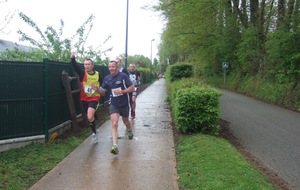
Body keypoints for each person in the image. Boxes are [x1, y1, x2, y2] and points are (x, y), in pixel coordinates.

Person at [92, 60, 135, 155]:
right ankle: (115, 146)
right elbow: (103, 92)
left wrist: (123, 92)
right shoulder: (107, 78)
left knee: (126, 121)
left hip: (124, 103)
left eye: (113, 66)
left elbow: (132, 87)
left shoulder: (123, 76)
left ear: (117, 67)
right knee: (114, 123)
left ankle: (129, 130)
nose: (111, 68)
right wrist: (97, 89)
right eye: (109, 67)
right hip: (114, 104)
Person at [70, 53, 102, 143]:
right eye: (85, 64)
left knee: (89, 116)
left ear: (92, 66)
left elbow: (103, 85)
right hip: (84, 98)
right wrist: (73, 59)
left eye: (88, 64)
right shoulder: (82, 73)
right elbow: (75, 67)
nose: (87, 66)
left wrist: (98, 89)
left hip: (94, 98)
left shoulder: (98, 75)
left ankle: (94, 133)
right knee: (90, 117)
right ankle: (95, 130)